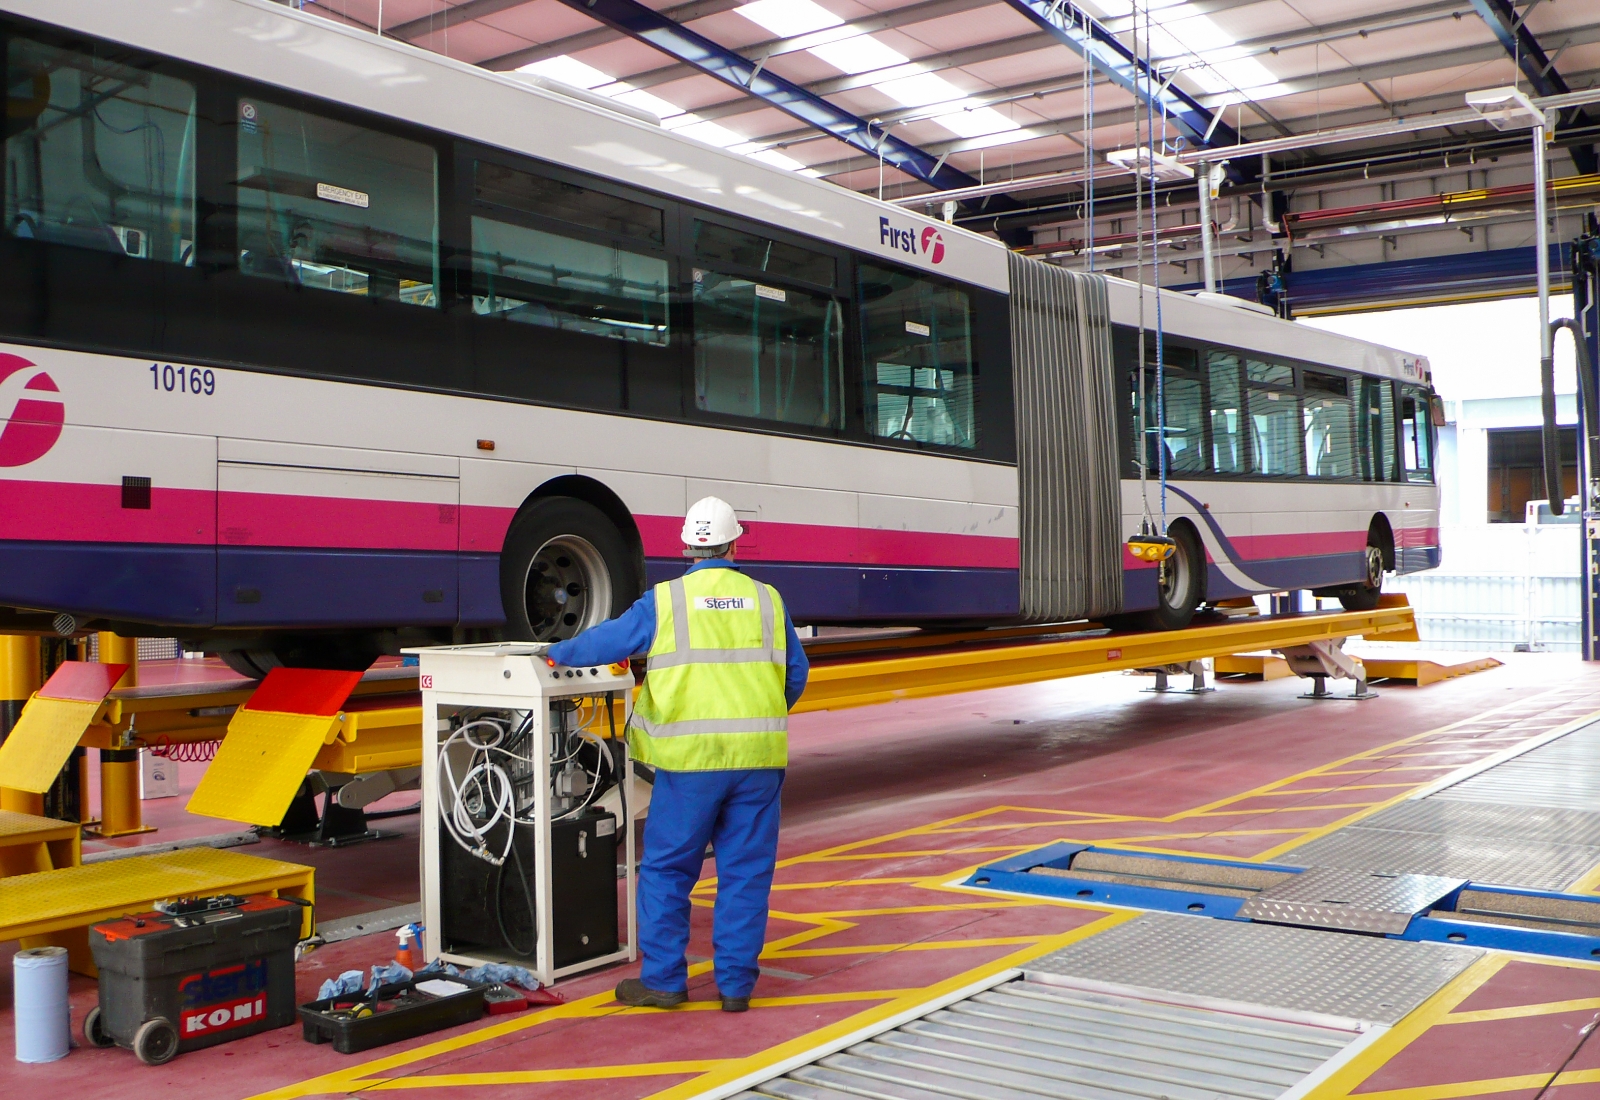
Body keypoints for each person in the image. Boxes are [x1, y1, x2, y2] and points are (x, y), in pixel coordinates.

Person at [547, 496, 809, 1012]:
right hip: (758, 762)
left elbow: (609, 640)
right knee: (745, 874)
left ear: (688, 545)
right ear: (735, 543)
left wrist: (557, 653)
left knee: (668, 871)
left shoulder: (665, 601)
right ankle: (735, 988)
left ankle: (665, 980)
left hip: (689, 767)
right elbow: (795, 676)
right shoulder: (768, 600)